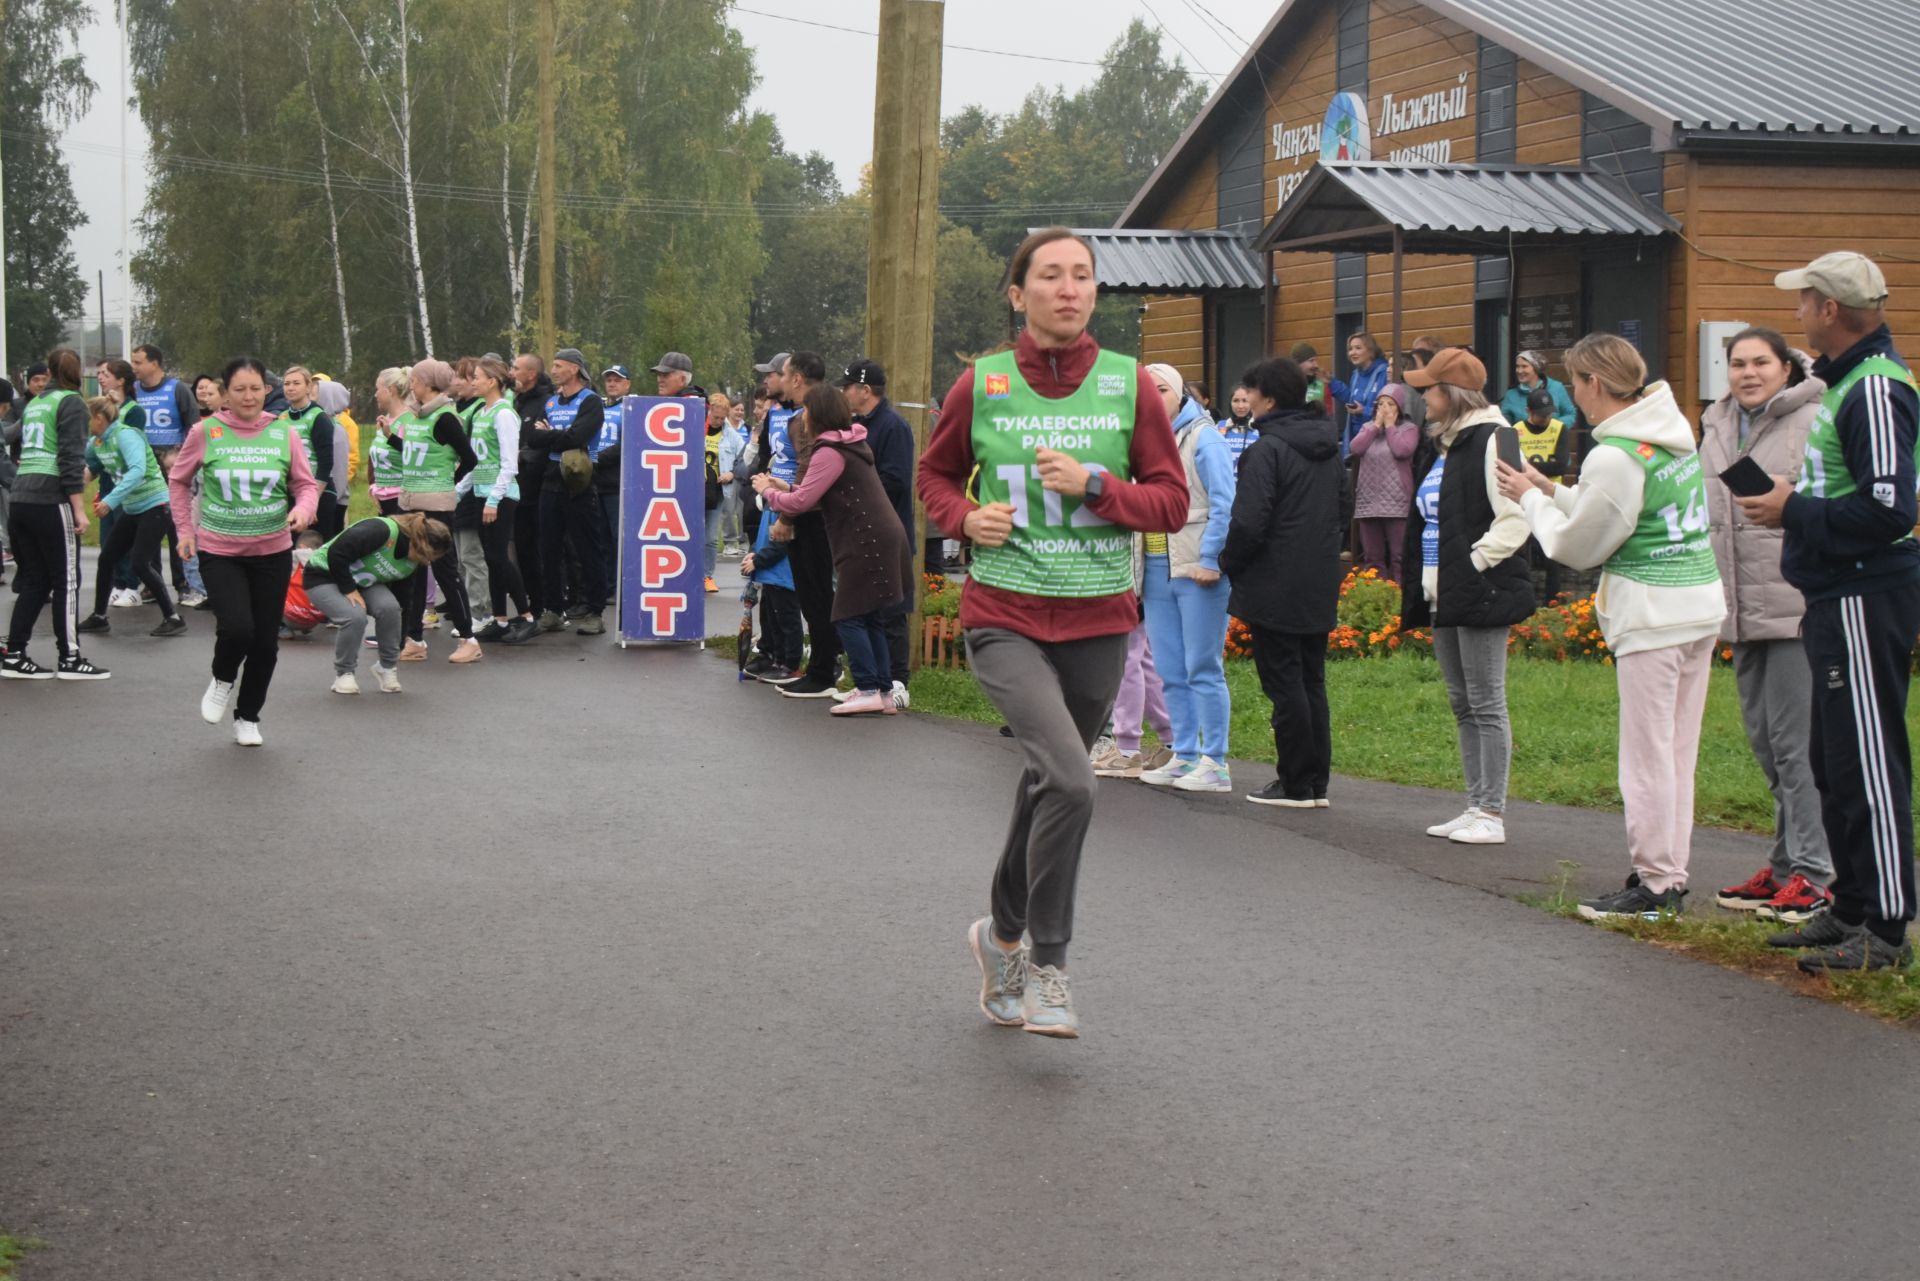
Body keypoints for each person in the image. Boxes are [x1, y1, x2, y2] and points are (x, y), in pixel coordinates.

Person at [919, 227, 1187, 1037]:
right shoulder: (984, 384)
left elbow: (1171, 503)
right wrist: (967, 517)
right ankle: (1049, 966)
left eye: (1083, 276)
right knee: (1073, 779)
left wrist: (1100, 484)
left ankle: (997, 936)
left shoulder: (1129, 385)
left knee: (1047, 783)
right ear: (1018, 293)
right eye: (1051, 276)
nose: (1069, 289)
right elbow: (933, 474)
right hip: (1005, 616)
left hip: (1100, 619)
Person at [1498, 333, 1726, 919]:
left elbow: (1579, 545)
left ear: (1594, 385)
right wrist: (1551, 488)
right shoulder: (1669, 434)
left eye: (1575, 382)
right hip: (1697, 604)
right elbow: (1620, 512)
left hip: (1652, 614)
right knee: (1676, 753)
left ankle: (1653, 884)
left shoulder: (1615, 453)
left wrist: (1529, 501)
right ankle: (1669, 874)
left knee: (1647, 757)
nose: (1572, 393)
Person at [1738, 252, 1919, 973]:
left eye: (1806, 300)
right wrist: (1797, 498)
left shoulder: (1873, 388)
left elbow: (1889, 507)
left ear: (1832, 311)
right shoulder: (1847, 381)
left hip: (1864, 589)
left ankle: (1886, 927)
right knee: (1833, 757)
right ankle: (1849, 906)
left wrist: (1794, 507)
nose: (1798, 311)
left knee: (1868, 760)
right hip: (1835, 590)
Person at [1700, 328, 1833, 922]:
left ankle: (1815, 876)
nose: (1748, 373)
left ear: (1786, 368)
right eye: (1737, 363)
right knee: (1767, 747)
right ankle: (1784, 868)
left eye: (1760, 362)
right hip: (1740, 610)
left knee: (1798, 749)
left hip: (1795, 606)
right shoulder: (1716, 423)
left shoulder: (1814, 418)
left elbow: (1822, 501)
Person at [1400, 347, 1533, 847]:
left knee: (1486, 701)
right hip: (1446, 590)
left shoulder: (1498, 439)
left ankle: (1491, 812)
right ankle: (1476, 802)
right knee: (1462, 702)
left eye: (1429, 389)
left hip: (1480, 587)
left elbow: (1517, 517)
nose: (1423, 398)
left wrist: (1472, 564)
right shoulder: (1450, 444)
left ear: (1452, 394)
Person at [168, 356, 321, 743]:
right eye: (239, 389)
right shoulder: (206, 431)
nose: (248, 396)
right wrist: (185, 529)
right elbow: (179, 481)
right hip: (220, 549)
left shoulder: (283, 433)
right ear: (225, 393)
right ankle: (222, 678)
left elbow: (304, 484)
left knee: (266, 643)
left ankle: (248, 716)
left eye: (256, 389)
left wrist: (303, 511)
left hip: (271, 550)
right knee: (237, 628)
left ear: (265, 391)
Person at [1221, 357, 1345, 806]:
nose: (1246, 400)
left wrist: (1227, 561)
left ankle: (1294, 782)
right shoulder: (1329, 445)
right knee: (1312, 679)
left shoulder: (1266, 450)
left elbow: (1250, 521)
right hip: (1319, 577)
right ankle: (1315, 783)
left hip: (1274, 581)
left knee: (1284, 683)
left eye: (1251, 392)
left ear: (1268, 399)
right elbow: (1342, 509)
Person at [754, 384, 912, 716]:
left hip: (864, 539)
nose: (803, 417)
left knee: (847, 614)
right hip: (880, 535)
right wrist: (788, 487)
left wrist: (768, 491)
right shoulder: (850, 442)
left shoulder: (828, 450)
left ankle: (868, 687)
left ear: (819, 414)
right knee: (867, 615)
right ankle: (882, 690)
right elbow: (814, 491)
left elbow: (801, 502)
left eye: (808, 411)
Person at [1136, 363, 1236, 793]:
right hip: (1156, 569)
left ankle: (1216, 761)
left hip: (1197, 569)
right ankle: (1185, 754)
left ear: (1180, 394)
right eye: (1146, 389)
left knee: (1202, 667)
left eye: (1162, 388)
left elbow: (1225, 502)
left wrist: (1211, 557)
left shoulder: (1204, 436)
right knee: (1169, 669)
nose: (1153, 396)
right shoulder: (1141, 442)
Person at [1, 349, 110, 680]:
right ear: (78, 373)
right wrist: (80, 510)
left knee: (35, 578)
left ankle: (15, 653)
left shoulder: (35, 403)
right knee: (67, 579)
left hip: (21, 496)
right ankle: (70, 657)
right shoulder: (71, 402)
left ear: (48, 372)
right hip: (50, 498)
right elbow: (70, 458)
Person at [384, 358, 481, 661]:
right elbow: (419, 453)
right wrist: (392, 438)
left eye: (414, 380)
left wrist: (446, 482)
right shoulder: (416, 417)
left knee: (445, 572)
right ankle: (414, 638)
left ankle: (469, 639)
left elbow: (469, 458)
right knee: (412, 569)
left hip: (436, 506)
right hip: (410, 504)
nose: (411, 385)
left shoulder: (445, 418)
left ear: (428, 384)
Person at [303, 511, 454, 694]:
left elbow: (404, 602)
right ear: (419, 543)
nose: (428, 562)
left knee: (390, 608)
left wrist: (398, 644)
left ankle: (386, 668)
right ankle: (344, 673)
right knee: (354, 616)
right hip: (324, 575)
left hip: (363, 582)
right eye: (429, 556)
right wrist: (349, 589)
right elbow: (337, 553)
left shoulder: (412, 563)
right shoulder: (381, 530)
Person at [76, 395, 187, 637]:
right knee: (107, 558)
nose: (86, 424)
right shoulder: (98, 442)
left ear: (99, 418)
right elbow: (89, 470)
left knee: (139, 562)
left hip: (156, 506)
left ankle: (173, 618)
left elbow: (137, 470)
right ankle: (99, 616)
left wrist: (110, 500)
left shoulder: (125, 435)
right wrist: (71, 496)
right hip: (134, 508)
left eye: (88, 419)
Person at [840, 357, 915, 706]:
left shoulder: (892, 426)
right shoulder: (856, 424)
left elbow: (897, 481)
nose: (844, 392)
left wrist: (856, 491)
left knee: (891, 609)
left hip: (889, 533)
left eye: (848, 386)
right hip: (862, 532)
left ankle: (898, 681)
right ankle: (872, 681)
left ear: (864, 390)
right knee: (867, 608)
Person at [770, 352, 843, 699]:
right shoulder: (807, 413)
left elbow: (810, 468)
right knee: (814, 596)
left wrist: (786, 516)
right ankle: (822, 666)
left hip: (813, 517)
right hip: (812, 510)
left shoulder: (809, 417)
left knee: (816, 596)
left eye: (783, 374)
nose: (780, 381)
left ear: (797, 379)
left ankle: (824, 670)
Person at [524, 348, 607, 634]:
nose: (554, 370)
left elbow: (577, 437)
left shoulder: (591, 402)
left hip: (579, 482)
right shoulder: (550, 402)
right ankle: (553, 609)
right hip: (550, 481)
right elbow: (532, 437)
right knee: (548, 548)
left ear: (574, 369)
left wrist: (548, 435)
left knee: (587, 548)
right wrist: (551, 438)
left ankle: (595, 611)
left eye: (558, 365)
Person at [460, 356, 535, 645]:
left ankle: (527, 616)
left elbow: (509, 464)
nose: (473, 381)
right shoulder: (480, 412)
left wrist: (493, 499)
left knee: (498, 557)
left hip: (500, 497)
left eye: (477, 377)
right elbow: (478, 461)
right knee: (491, 559)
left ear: (492, 381)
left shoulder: (504, 414)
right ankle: (500, 619)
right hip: (481, 493)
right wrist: (460, 490)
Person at [130, 343, 200, 600]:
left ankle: (183, 583)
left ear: (154, 363)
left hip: (173, 462)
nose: (134, 367)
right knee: (147, 524)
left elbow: (193, 426)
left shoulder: (177, 389)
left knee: (176, 523)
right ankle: (152, 582)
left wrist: (186, 459)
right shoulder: (134, 390)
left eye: (138, 362)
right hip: (144, 465)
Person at [92, 358, 149, 607]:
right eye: (99, 374)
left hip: (126, 482)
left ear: (121, 380)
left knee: (126, 538)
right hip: (107, 478)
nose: (101, 378)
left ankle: (131, 585)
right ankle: (117, 582)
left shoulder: (133, 410)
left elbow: (130, 449)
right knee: (108, 538)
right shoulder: (102, 407)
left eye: (106, 373)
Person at [1347, 383, 1418, 583]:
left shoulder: (1408, 429)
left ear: (1400, 408)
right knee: (1372, 559)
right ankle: (1379, 602)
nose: (1385, 409)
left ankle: (1401, 604)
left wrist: (1390, 427)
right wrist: (1375, 427)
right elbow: (1355, 448)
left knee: (1399, 558)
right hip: (1368, 503)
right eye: (1381, 405)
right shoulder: (1367, 428)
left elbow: (1402, 450)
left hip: (1397, 503)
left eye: (1390, 405)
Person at [510, 353, 555, 625]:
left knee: (538, 549)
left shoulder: (545, 403)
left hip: (537, 488)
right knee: (523, 549)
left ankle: (546, 607)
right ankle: (531, 607)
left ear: (531, 374)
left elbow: (543, 442)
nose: (511, 372)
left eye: (516, 368)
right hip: (517, 488)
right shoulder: (517, 402)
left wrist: (522, 456)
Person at [278, 367, 340, 539]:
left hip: (319, 491)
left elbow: (326, 463)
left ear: (308, 387)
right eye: (286, 384)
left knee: (316, 548)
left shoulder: (319, 417)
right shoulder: (281, 418)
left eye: (296, 383)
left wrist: (312, 501)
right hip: (291, 491)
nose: (290, 387)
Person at [1329, 331, 1389, 454]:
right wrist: (1330, 382)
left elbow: (1388, 408)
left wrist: (1364, 411)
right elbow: (1350, 397)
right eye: (1350, 349)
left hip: (1377, 440)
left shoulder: (1384, 373)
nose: (1352, 353)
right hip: (1357, 438)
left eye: (1358, 348)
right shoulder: (1356, 374)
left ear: (1371, 351)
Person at [311, 377, 356, 537]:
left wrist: (330, 498)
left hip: (332, 501)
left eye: (314, 394)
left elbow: (338, 470)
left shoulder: (335, 430)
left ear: (327, 399)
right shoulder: (320, 423)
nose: (309, 398)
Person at [367, 367, 410, 515]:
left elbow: (414, 455)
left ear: (390, 390)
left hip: (402, 500)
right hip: (383, 499)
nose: (375, 394)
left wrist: (391, 436)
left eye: (378, 389)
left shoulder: (409, 421)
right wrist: (374, 487)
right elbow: (374, 459)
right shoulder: (385, 420)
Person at [1499, 350, 1577, 427]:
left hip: (1553, 438)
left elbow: (1570, 414)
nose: (1519, 371)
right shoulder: (1511, 395)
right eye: (1517, 366)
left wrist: (1553, 427)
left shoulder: (1556, 388)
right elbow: (1504, 425)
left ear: (1536, 368)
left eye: (1524, 366)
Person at [1291, 342, 1336, 417]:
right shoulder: (1286, 386)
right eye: (1311, 361)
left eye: (1316, 361)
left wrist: (1332, 382)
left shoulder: (1322, 385)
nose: (1316, 365)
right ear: (1298, 363)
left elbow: (1329, 417)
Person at [1217, 384, 1256, 465]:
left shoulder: (1259, 427)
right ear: (1230, 403)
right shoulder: (1219, 427)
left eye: (1245, 400)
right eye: (1236, 400)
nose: (1240, 406)